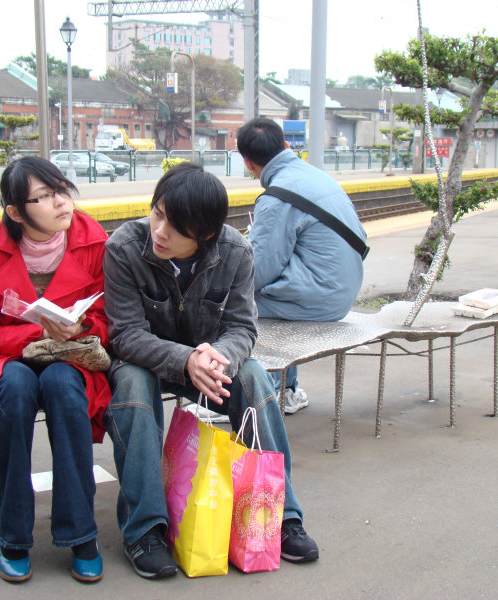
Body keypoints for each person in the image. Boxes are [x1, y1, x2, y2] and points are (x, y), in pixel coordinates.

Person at [103, 162, 319, 580]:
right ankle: (144, 530)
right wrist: (184, 359)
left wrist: (216, 356)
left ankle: (279, 515)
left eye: (175, 226)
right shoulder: (125, 247)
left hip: (211, 360)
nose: (160, 231)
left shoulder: (235, 251)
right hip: (147, 360)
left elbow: (242, 327)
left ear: (204, 235)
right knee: (130, 382)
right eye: (158, 213)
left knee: (255, 377)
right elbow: (124, 334)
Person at [0, 156, 111, 584]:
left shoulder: (94, 242)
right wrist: (32, 337)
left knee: (62, 386)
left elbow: (113, 319)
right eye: (42, 197)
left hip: (69, 358)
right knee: (15, 389)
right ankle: (14, 535)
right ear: (15, 212)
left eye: (60, 190)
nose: (60, 203)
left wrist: (83, 326)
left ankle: (81, 533)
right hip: (5, 361)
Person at [237, 117, 367, 414]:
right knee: (263, 294)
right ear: (285, 146)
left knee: (233, 302)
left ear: (247, 163)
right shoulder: (313, 175)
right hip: (342, 288)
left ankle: (258, 397)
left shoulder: (277, 198)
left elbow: (257, 274)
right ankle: (288, 389)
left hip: (321, 298)